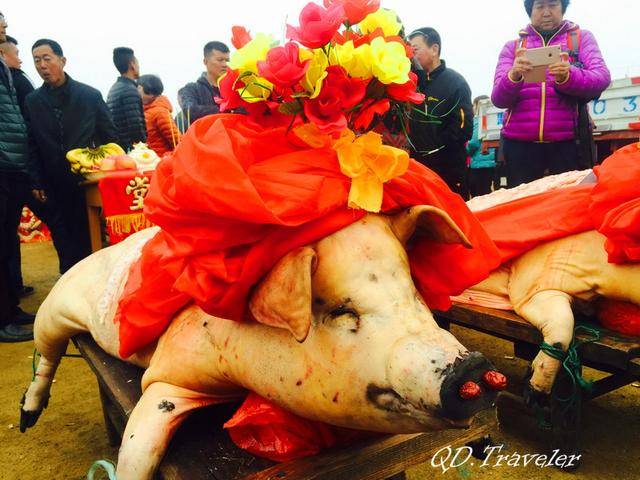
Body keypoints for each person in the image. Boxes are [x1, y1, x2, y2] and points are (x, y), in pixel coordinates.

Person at [491, 0, 610, 187]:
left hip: (568, 144)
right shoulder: (513, 47)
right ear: (530, 11)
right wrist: (513, 76)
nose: (546, 12)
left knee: (567, 205)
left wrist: (568, 76)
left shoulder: (581, 39)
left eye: (553, 5)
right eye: (539, 6)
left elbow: (602, 78)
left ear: (563, 8)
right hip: (519, 146)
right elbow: (498, 98)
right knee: (523, 207)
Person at [24, 39, 117, 274]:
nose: (42, 65)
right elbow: (32, 144)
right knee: (64, 243)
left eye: (47, 58)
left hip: (85, 183)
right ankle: (69, 286)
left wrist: (108, 171)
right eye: (37, 60)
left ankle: (94, 287)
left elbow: (110, 137)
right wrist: (36, 180)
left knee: (89, 241)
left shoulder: (89, 96)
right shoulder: (32, 102)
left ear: (62, 61)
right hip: (52, 184)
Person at [0, 12, 35, 341]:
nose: (5, 29)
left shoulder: (3, 67)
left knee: (7, 242)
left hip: (11, 163)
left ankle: (10, 310)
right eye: (2, 24)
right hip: (3, 161)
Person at [407, 27, 473, 197]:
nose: (411, 54)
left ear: (434, 49)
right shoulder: (410, 83)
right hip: (417, 165)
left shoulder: (455, 82)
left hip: (448, 167)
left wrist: (436, 149)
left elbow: (463, 129)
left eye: (415, 49)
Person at [177, 41, 229, 126]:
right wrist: (227, 110)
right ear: (205, 61)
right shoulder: (191, 90)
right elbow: (191, 110)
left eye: (227, 60)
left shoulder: (234, 90)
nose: (225, 64)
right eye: (220, 60)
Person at [106, 47, 146, 151]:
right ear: (132, 65)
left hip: (119, 148)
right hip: (131, 150)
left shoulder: (114, 88)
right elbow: (135, 126)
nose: (138, 67)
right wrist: (144, 148)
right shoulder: (130, 90)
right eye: (137, 64)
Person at [138, 74, 181, 156]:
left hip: (160, 161)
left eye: (139, 88)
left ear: (150, 92)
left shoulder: (160, 112)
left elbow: (176, 139)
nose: (137, 91)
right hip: (150, 160)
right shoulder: (145, 110)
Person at [467, 96, 497, 197]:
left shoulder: (478, 120)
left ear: (477, 106)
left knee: (479, 193)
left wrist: (466, 152)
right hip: (493, 161)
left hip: (479, 163)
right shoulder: (494, 119)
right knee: (488, 192)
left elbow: (474, 141)